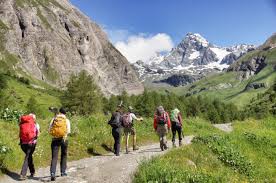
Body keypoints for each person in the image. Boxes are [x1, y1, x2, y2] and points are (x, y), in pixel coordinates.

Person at [49, 108, 71, 181]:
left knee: (54, 157)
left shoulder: (54, 119)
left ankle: (52, 173)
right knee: (64, 155)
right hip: (64, 139)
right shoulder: (66, 120)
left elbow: (49, 130)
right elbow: (68, 131)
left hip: (55, 139)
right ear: (65, 113)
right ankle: (63, 172)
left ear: (59, 112)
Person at [19, 113, 40, 180]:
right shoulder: (35, 124)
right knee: (28, 157)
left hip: (22, 144)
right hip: (31, 143)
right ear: (34, 118)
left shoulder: (22, 124)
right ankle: (23, 174)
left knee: (29, 156)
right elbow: (38, 134)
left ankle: (32, 171)